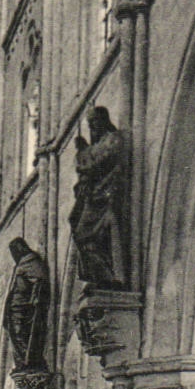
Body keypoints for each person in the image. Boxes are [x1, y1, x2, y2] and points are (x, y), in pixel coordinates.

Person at [70, 106, 132, 288]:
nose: (92, 128)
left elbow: (95, 163)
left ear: (104, 120)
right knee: (78, 227)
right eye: (90, 124)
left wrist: (83, 151)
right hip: (92, 198)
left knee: (88, 235)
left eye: (95, 122)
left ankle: (108, 277)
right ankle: (98, 276)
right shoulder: (96, 145)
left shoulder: (113, 139)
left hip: (104, 198)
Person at [3, 237, 51, 374]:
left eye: (15, 251)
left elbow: (39, 282)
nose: (14, 255)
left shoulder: (31, 261)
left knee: (21, 332)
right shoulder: (21, 265)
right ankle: (23, 361)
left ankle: (29, 361)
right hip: (15, 308)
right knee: (15, 333)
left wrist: (35, 299)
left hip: (24, 307)